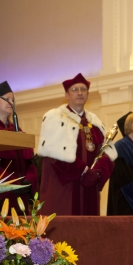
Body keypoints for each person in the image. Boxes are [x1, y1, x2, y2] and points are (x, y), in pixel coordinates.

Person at [37, 73, 116, 216]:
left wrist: (97, 173)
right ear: (67, 95)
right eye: (75, 90)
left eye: (83, 89)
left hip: (89, 189)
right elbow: (54, 156)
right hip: (64, 188)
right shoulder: (55, 117)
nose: (80, 93)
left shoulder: (95, 122)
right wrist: (83, 171)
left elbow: (106, 153)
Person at [0, 81, 38, 208]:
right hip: (0, 195)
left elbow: (30, 162)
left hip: (22, 194)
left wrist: (29, 180)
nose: (11, 102)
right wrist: (10, 184)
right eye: (6, 98)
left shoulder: (17, 129)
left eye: (13, 99)